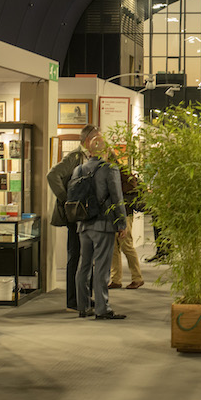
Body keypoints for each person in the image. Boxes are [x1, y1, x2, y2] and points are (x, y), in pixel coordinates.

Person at [73, 134, 128, 320]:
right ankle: (102, 309)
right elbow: (117, 198)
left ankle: (83, 306)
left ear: (89, 150)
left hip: (83, 224)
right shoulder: (110, 169)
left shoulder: (78, 170)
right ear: (105, 151)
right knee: (102, 267)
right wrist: (122, 223)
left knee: (84, 265)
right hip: (103, 224)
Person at [47, 124, 100, 312]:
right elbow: (52, 175)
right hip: (75, 215)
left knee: (88, 257)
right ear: (88, 140)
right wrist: (66, 200)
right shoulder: (74, 157)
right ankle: (73, 299)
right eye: (97, 138)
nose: (100, 141)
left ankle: (85, 296)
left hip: (87, 214)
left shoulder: (92, 157)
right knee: (75, 256)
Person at [108, 159, 144, 290]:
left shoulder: (121, 171)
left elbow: (132, 187)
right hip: (113, 212)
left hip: (125, 213)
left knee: (126, 245)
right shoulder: (110, 170)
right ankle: (116, 279)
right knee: (113, 247)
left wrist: (116, 191)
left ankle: (137, 277)